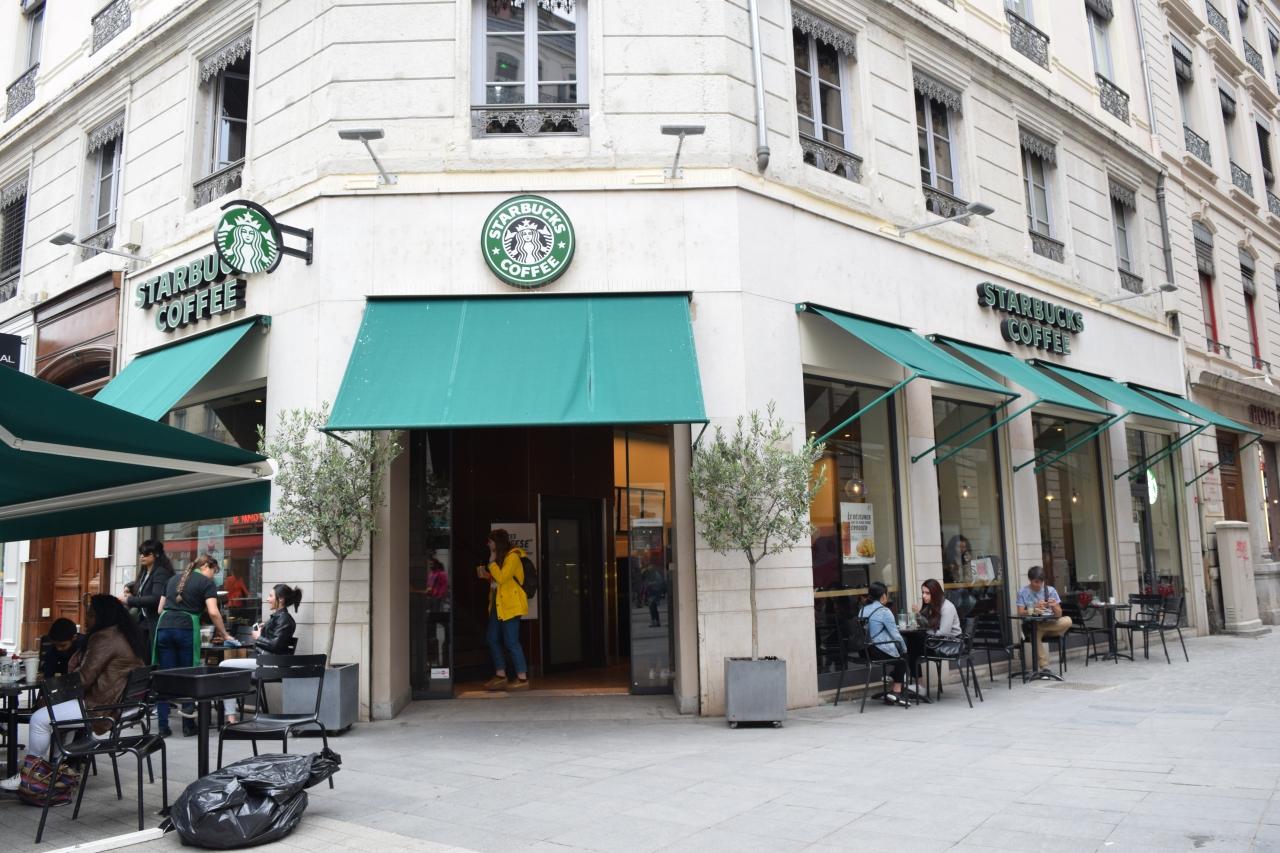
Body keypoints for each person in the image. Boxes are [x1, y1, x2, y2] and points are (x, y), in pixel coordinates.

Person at [2, 596, 145, 791]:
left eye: (90, 614)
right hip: (116, 704)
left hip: (100, 707)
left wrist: (52, 695)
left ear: (102, 616)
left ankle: (31, 775)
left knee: (39, 719)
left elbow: (83, 678)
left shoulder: (105, 638)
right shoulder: (123, 634)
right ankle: (54, 770)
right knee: (55, 717)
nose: (85, 619)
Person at [156, 555, 230, 737]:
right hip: (186, 629)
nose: (213, 576)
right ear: (206, 566)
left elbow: (159, 609)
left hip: (164, 626)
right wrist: (224, 633)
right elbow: (213, 612)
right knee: (188, 676)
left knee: (165, 677)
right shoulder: (206, 583)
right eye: (214, 571)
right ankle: (188, 725)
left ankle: (163, 726)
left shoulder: (172, 579)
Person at [220, 583, 303, 724]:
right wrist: (264, 629)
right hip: (264, 661)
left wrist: (259, 637)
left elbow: (275, 645)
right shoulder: (278, 618)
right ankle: (231, 719)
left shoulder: (285, 619)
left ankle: (231, 719)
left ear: (281, 599)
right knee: (229, 672)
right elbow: (275, 641)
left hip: (270, 664)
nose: (267, 599)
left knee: (224, 666)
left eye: (271, 596)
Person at [480, 529, 529, 691]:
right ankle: (501, 675)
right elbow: (500, 581)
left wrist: (491, 563)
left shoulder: (513, 556)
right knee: (491, 638)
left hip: (511, 605)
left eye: (490, 542)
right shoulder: (501, 559)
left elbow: (502, 578)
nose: (488, 545)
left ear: (497, 542)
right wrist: (489, 576)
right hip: (498, 605)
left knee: (511, 641)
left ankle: (522, 678)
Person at [121, 539, 175, 663]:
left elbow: (156, 598)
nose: (142, 556)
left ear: (156, 554)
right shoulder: (145, 573)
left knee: (151, 659)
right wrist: (129, 589)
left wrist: (129, 600)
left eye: (146, 553)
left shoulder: (161, 572)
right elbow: (142, 590)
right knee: (142, 657)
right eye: (140, 553)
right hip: (144, 622)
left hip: (155, 622)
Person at [859, 581, 908, 705]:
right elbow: (895, 635)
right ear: (883, 596)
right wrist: (904, 649)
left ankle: (892, 677)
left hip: (864, 651)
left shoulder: (862, 610)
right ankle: (896, 692)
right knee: (903, 658)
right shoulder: (884, 611)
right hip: (877, 651)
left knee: (900, 655)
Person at [1017, 565, 1072, 672]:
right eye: (1036, 582)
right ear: (1030, 580)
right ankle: (1044, 667)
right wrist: (1035, 608)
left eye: (1041, 582)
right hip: (1033, 627)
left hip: (1049, 625)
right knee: (1035, 633)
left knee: (1068, 620)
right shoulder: (1023, 592)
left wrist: (1055, 606)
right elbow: (1020, 612)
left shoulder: (1050, 591)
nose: (1039, 585)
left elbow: (1059, 615)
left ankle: (1040, 628)